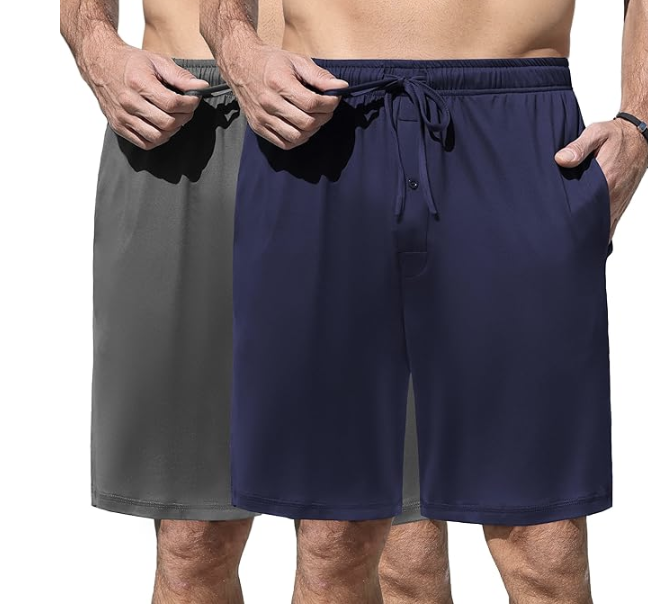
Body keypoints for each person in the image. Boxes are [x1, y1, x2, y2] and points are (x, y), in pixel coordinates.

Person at [202, 0, 648, 602]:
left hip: (518, 123)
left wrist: (642, 120)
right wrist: (238, 50)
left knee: (544, 548)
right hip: (323, 121)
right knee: (332, 543)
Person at [60, 0, 453, 602]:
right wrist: (97, 47)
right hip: (186, 114)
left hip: (359, 101)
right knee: (193, 545)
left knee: (395, 548)